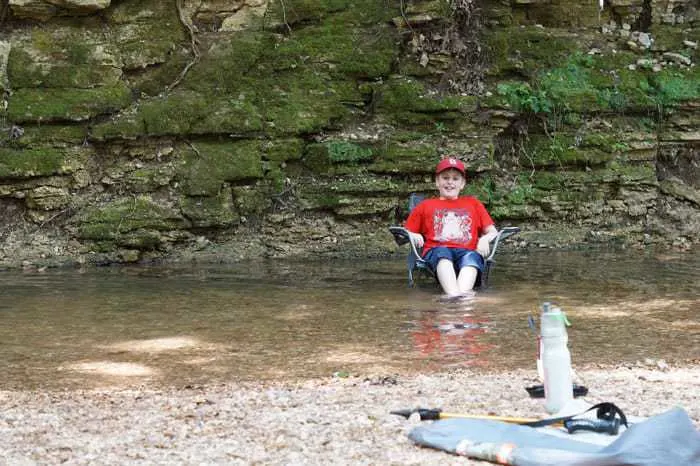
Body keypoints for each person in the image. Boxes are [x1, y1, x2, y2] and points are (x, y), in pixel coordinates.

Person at [404, 157, 498, 298]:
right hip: (437, 251)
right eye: (445, 178)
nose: (450, 182)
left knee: (472, 257)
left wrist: (484, 240)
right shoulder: (425, 205)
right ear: (437, 181)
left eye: (455, 179)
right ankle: (458, 298)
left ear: (462, 183)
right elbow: (405, 232)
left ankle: (456, 299)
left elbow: (493, 232)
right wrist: (413, 235)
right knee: (443, 253)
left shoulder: (473, 203)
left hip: (467, 251)